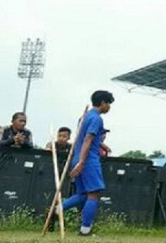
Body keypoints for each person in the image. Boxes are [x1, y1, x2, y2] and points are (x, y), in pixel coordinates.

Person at [52, 90, 114, 236]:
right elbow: (88, 139)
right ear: (103, 103)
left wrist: (101, 145)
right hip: (88, 160)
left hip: (77, 157)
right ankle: (85, 230)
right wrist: (82, 162)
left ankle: (56, 210)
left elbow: (83, 138)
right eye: (109, 104)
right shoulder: (97, 118)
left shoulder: (84, 116)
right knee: (94, 194)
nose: (109, 107)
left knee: (83, 194)